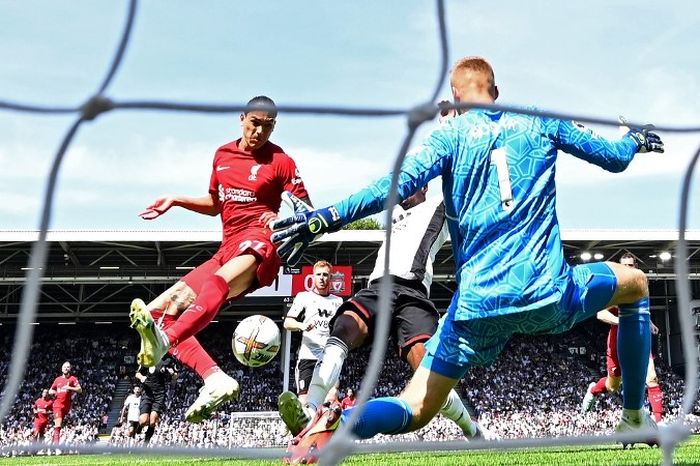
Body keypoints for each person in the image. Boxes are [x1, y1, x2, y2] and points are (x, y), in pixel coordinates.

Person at [271, 56, 664, 461]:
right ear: (496, 91)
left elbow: (393, 185)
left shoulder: (449, 136)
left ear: (456, 96)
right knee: (636, 286)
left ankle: (340, 424)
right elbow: (614, 158)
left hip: (476, 310)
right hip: (547, 292)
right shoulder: (538, 120)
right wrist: (634, 140)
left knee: (416, 407)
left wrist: (325, 218)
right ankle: (635, 416)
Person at [129, 95, 311, 423]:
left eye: (268, 127)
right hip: (226, 248)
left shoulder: (281, 161)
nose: (260, 132)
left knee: (216, 284)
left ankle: (166, 341)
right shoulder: (222, 155)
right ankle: (214, 379)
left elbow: (306, 212)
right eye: (255, 124)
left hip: (260, 242)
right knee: (157, 312)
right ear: (242, 119)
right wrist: (177, 200)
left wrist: (280, 220)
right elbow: (216, 203)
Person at [278, 188, 487, 442]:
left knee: (429, 373)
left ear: (424, 187)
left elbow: (465, 184)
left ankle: (471, 429)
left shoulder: (439, 204)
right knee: (343, 326)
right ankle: (309, 411)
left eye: (413, 184)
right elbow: (360, 205)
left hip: (413, 293)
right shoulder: (394, 215)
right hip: (378, 288)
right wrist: (316, 218)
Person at [582, 253, 665, 422]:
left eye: (631, 266)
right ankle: (593, 391)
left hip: (639, 336)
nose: (627, 269)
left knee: (652, 377)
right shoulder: (614, 290)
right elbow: (601, 314)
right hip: (617, 338)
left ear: (636, 267)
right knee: (613, 386)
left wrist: (648, 322)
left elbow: (641, 309)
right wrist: (625, 321)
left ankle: (659, 422)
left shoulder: (640, 286)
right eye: (624, 266)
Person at [283, 260, 343, 407]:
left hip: (329, 357)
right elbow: (287, 322)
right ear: (313, 277)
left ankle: (325, 429)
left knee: (331, 398)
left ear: (330, 278)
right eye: (319, 275)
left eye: (325, 275)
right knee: (305, 403)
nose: (322, 278)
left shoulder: (338, 301)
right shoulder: (304, 297)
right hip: (308, 356)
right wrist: (301, 325)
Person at [136, 357, 178, 444]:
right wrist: (142, 377)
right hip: (147, 393)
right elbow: (137, 373)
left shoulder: (168, 361)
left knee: (152, 422)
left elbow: (176, 376)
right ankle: (139, 426)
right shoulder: (147, 360)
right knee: (143, 420)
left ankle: (145, 443)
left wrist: (173, 374)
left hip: (159, 394)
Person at [48, 361, 82, 444]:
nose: (66, 368)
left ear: (70, 369)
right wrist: (54, 392)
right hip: (57, 405)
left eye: (68, 367)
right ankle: (56, 447)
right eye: (64, 367)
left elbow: (80, 390)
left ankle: (51, 445)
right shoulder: (57, 379)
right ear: (62, 369)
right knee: (58, 425)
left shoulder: (73, 379)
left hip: (66, 406)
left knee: (59, 426)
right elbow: (50, 390)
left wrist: (70, 387)